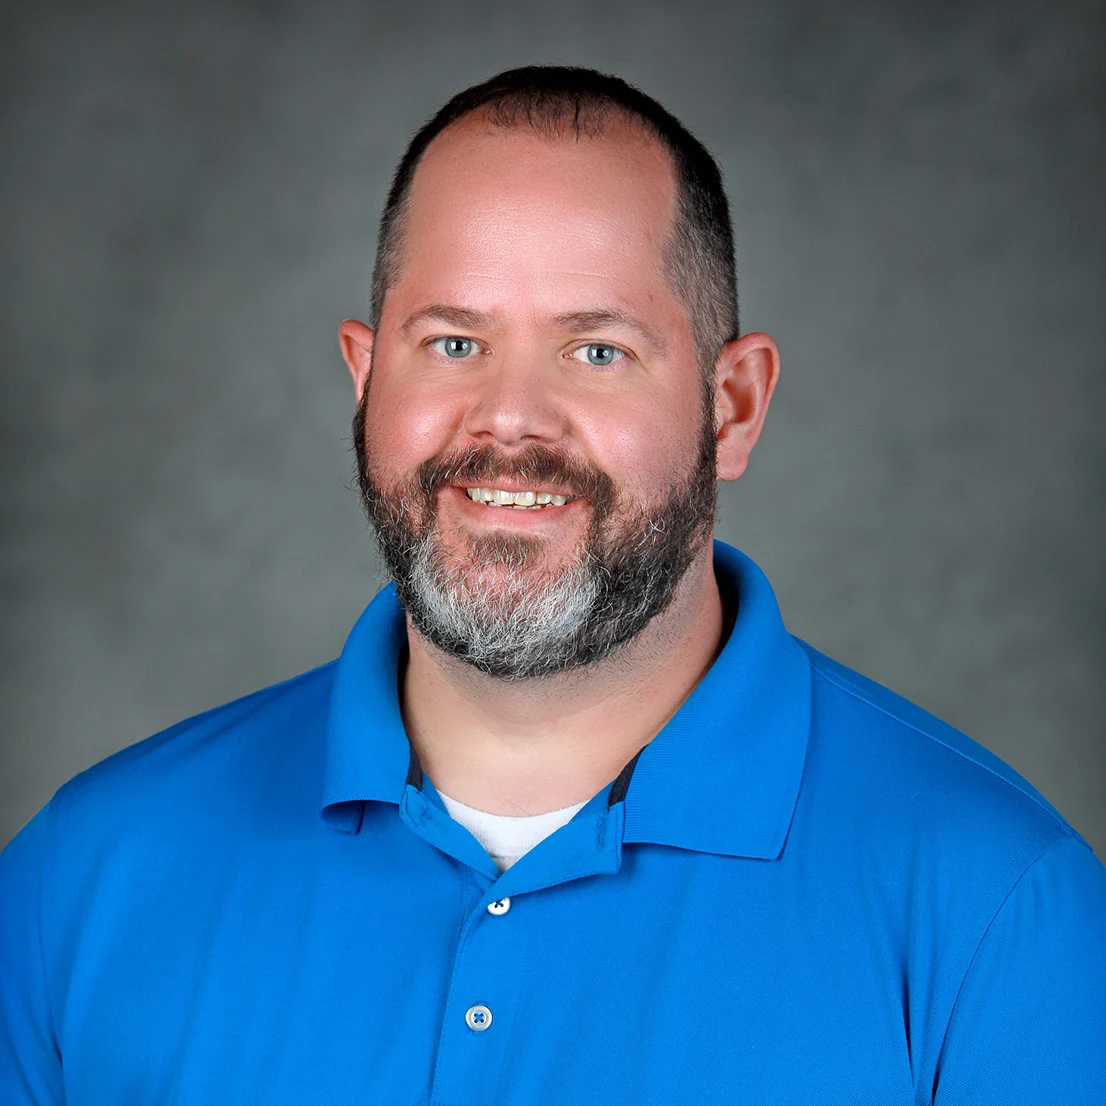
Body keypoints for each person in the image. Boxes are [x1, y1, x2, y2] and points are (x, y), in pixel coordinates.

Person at [1, 65, 1103, 1105]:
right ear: (364, 375)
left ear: (732, 404)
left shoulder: (998, 910)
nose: (510, 417)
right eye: (451, 341)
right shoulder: (82, 875)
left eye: (595, 350)